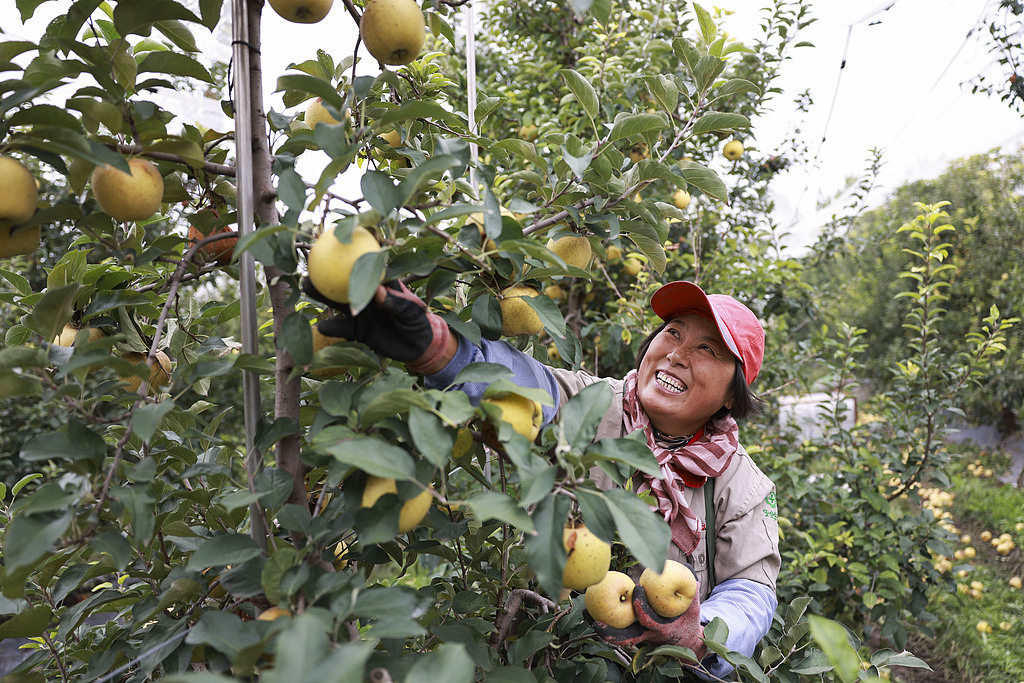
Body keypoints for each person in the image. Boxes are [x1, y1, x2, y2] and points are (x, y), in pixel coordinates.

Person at [304, 278, 780, 680]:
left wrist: (696, 631)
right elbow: (526, 384)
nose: (677, 354)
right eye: (673, 333)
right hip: (550, 655)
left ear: (730, 395)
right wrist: (436, 348)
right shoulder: (595, 407)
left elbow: (752, 592)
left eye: (706, 349)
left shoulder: (741, 484)